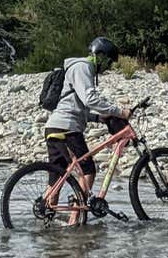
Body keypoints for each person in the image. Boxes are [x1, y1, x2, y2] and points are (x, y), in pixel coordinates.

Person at [44, 36, 131, 197]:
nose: (108, 67)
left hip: (54, 126)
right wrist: (119, 112)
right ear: (99, 56)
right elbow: (89, 99)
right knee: (88, 170)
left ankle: (46, 211)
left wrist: (99, 118)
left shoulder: (78, 68)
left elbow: (76, 106)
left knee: (56, 180)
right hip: (67, 128)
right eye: (108, 61)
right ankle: (76, 216)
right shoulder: (83, 67)